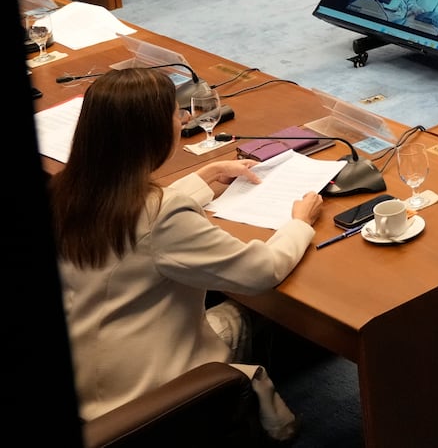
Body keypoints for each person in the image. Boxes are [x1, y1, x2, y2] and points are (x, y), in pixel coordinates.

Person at [52, 67, 321, 439]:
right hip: (146, 392)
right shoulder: (163, 215)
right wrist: (300, 223)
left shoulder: (68, 190)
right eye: (177, 116)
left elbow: (137, 223)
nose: (183, 121)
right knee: (267, 312)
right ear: (154, 134)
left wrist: (204, 176)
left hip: (90, 368)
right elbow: (261, 271)